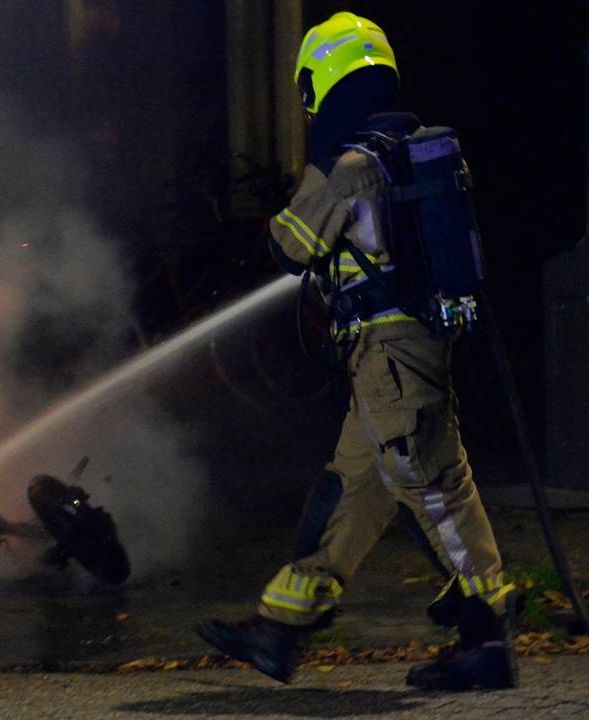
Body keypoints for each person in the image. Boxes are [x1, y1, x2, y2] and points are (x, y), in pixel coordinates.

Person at [195, 12, 518, 691]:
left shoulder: (349, 165)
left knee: (431, 485)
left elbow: (290, 246)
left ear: (327, 82)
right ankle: (281, 628)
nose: (309, 107)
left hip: (388, 359)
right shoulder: (403, 150)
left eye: (310, 92)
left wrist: (296, 193)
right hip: (402, 356)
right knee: (352, 490)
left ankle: (488, 633)